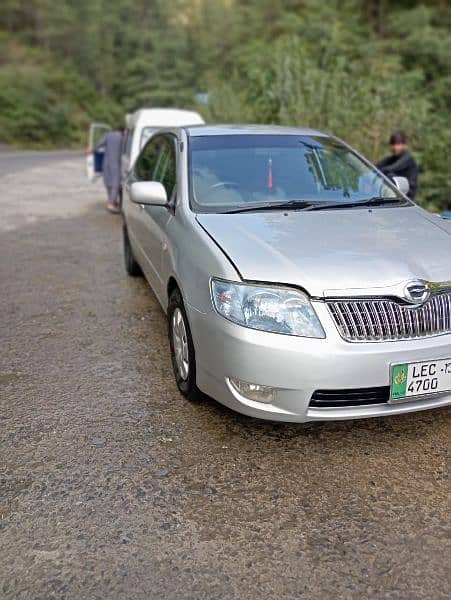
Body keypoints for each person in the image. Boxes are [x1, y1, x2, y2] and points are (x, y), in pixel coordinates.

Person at [376, 130, 419, 199]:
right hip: (395, 191)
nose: (395, 147)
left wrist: (379, 172)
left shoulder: (407, 158)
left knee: (388, 175)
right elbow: (375, 167)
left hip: (407, 195)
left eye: (398, 144)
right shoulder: (392, 159)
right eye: (393, 144)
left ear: (404, 145)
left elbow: (392, 168)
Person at [94, 126, 124, 213]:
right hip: (117, 164)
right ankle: (111, 204)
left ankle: (113, 202)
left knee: (108, 183)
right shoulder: (123, 137)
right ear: (122, 131)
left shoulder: (108, 135)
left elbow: (98, 145)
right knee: (116, 183)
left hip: (106, 164)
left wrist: (93, 150)